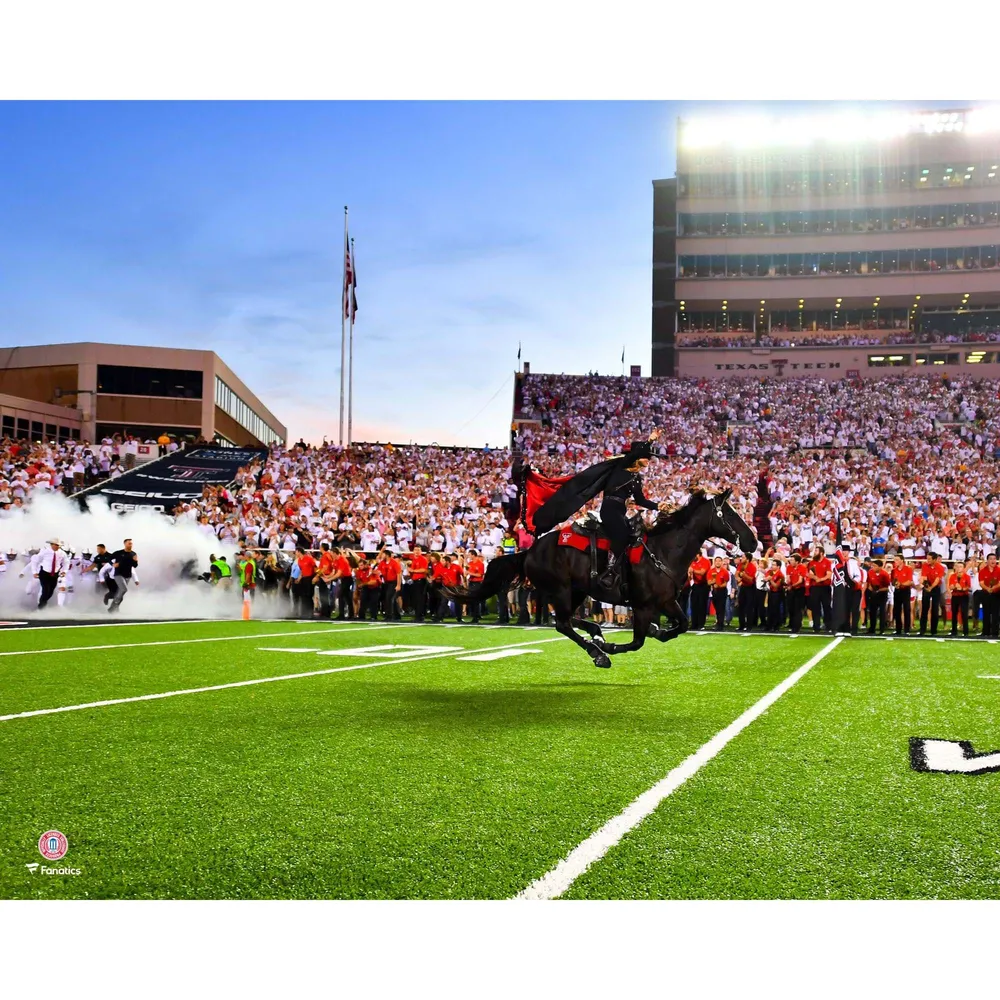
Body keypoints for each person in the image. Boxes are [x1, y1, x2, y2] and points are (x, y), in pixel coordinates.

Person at [530, 430, 671, 593]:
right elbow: (635, 454)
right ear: (637, 457)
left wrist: (658, 506)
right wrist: (650, 439)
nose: (649, 459)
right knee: (622, 535)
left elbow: (641, 501)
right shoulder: (622, 467)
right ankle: (610, 569)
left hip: (620, 512)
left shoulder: (637, 479)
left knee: (636, 536)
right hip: (609, 509)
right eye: (646, 456)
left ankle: (625, 571)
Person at [35, 538, 68, 610]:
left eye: (58, 545)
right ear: (51, 545)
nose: (57, 547)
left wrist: (64, 571)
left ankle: (43, 603)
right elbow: (35, 561)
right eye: (56, 545)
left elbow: (66, 562)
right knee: (45, 590)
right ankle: (41, 608)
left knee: (51, 591)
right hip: (44, 573)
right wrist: (35, 572)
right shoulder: (44, 552)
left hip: (54, 574)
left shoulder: (62, 553)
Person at [919, 551, 946, 636]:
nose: (928, 560)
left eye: (929, 559)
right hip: (926, 587)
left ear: (935, 559)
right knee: (924, 609)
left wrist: (931, 587)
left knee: (935, 609)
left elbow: (937, 579)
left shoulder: (940, 567)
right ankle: (922, 630)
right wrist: (926, 586)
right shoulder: (924, 566)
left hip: (935, 589)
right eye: (927, 558)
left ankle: (933, 631)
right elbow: (923, 577)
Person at [108, 538, 139, 613]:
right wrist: (113, 564)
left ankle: (114, 608)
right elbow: (109, 558)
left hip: (128, 575)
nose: (130, 545)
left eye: (131, 543)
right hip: (118, 574)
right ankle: (114, 605)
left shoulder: (133, 554)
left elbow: (135, 566)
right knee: (124, 589)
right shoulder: (118, 553)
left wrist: (136, 561)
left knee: (121, 592)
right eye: (129, 543)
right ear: (125, 544)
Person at [688, 549, 712, 631]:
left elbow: (702, 572)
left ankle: (701, 624)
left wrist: (692, 570)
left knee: (702, 605)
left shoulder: (705, 561)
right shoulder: (693, 561)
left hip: (704, 585)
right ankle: (694, 624)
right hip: (696, 584)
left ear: (698, 554)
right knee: (694, 605)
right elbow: (690, 575)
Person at [866, 558, 891, 635]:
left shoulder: (885, 574)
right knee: (872, 611)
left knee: (882, 611)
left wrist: (879, 590)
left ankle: (882, 629)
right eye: (873, 566)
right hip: (873, 593)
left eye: (875, 566)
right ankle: (872, 629)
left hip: (882, 594)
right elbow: (869, 583)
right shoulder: (870, 572)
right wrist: (871, 590)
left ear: (880, 567)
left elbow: (887, 587)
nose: (873, 567)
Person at [891, 556, 914, 635]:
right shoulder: (894, 570)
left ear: (902, 560)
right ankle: (898, 629)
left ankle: (907, 629)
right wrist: (895, 584)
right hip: (897, 591)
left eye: (897, 559)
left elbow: (910, 581)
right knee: (897, 610)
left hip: (905, 591)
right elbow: (893, 581)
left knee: (906, 609)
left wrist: (901, 584)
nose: (895, 561)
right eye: (895, 560)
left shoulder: (908, 569)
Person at [948, 560, 971, 637]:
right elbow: (950, 586)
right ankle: (954, 631)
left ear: (964, 568)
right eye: (957, 566)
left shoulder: (967, 576)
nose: (958, 568)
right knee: (954, 614)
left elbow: (968, 587)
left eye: (960, 566)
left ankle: (965, 631)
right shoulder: (952, 576)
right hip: (955, 596)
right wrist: (955, 587)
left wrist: (961, 588)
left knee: (964, 614)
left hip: (964, 596)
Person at [979, 553, 1000, 639]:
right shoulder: (982, 571)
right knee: (986, 613)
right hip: (986, 594)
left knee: (996, 614)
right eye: (991, 559)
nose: (993, 561)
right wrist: (988, 589)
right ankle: (985, 632)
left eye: (994, 559)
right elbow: (981, 583)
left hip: (997, 594)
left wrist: (994, 588)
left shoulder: (999, 570)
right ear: (987, 561)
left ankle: (995, 633)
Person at [786, 552, 808, 634]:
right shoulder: (789, 567)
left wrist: (791, 586)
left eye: (792, 560)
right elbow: (788, 578)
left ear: (797, 561)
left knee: (797, 609)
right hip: (791, 589)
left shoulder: (802, 567)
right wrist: (788, 584)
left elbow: (800, 581)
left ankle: (797, 627)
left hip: (799, 590)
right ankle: (791, 625)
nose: (790, 561)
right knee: (791, 608)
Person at [708, 556, 729, 630]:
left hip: (722, 591)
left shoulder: (725, 571)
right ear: (714, 562)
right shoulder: (711, 571)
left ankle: (720, 624)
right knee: (717, 608)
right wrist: (713, 582)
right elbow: (708, 582)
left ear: (722, 562)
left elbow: (725, 583)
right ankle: (718, 622)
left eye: (719, 561)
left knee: (721, 608)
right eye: (716, 561)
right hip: (714, 591)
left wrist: (719, 585)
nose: (718, 562)